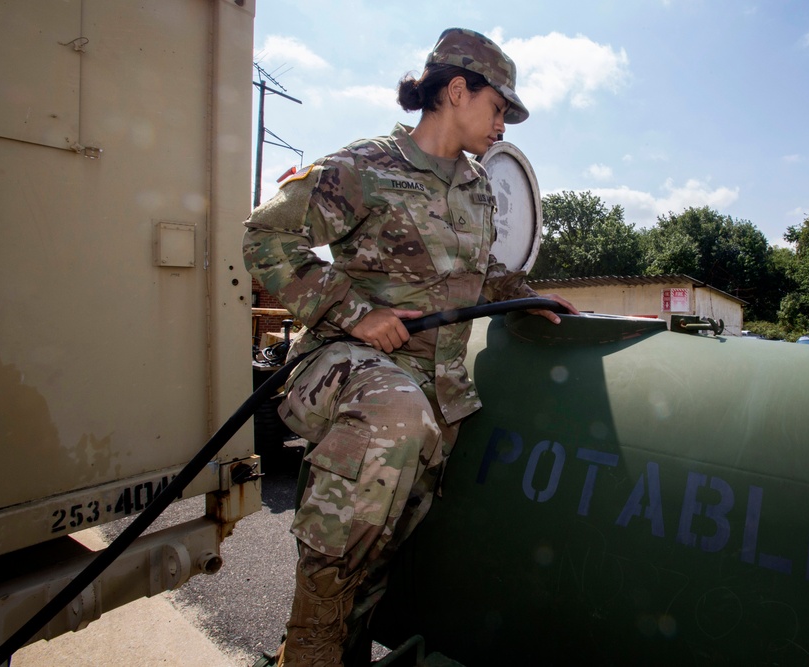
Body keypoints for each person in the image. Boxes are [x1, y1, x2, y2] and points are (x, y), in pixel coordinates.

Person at [242, 27, 577, 667]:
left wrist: (527, 294)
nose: (504, 126)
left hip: (434, 397)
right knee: (364, 488)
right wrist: (355, 311)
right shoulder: (363, 169)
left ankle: (334, 649)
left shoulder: (479, 187)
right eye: (498, 107)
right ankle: (307, 657)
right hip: (346, 372)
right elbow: (263, 237)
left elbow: (474, 274)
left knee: (379, 545)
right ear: (456, 91)